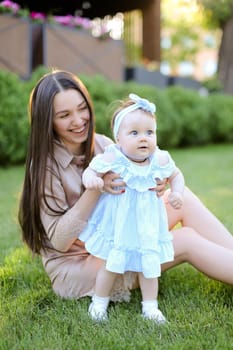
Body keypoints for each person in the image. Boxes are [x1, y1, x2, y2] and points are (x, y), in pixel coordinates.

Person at [18, 70, 233, 317]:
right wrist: (97, 188)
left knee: (183, 201)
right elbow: (59, 241)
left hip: (117, 236)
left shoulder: (103, 144)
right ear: (47, 121)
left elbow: (138, 179)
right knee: (185, 239)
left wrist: (158, 184)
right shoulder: (44, 167)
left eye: (82, 108)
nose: (78, 120)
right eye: (65, 115)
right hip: (79, 265)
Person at [79, 93, 185, 322]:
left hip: (147, 225)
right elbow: (90, 171)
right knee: (111, 265)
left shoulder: (160, 159)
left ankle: (150, 307)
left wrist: (177, 192)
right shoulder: (114, 157)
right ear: (118, 138)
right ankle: (99, 304)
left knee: (149, 265)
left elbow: (177, 175)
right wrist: (92, 180)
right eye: (134, 133)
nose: (143, 138)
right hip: (120, 224)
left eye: (149, 132)